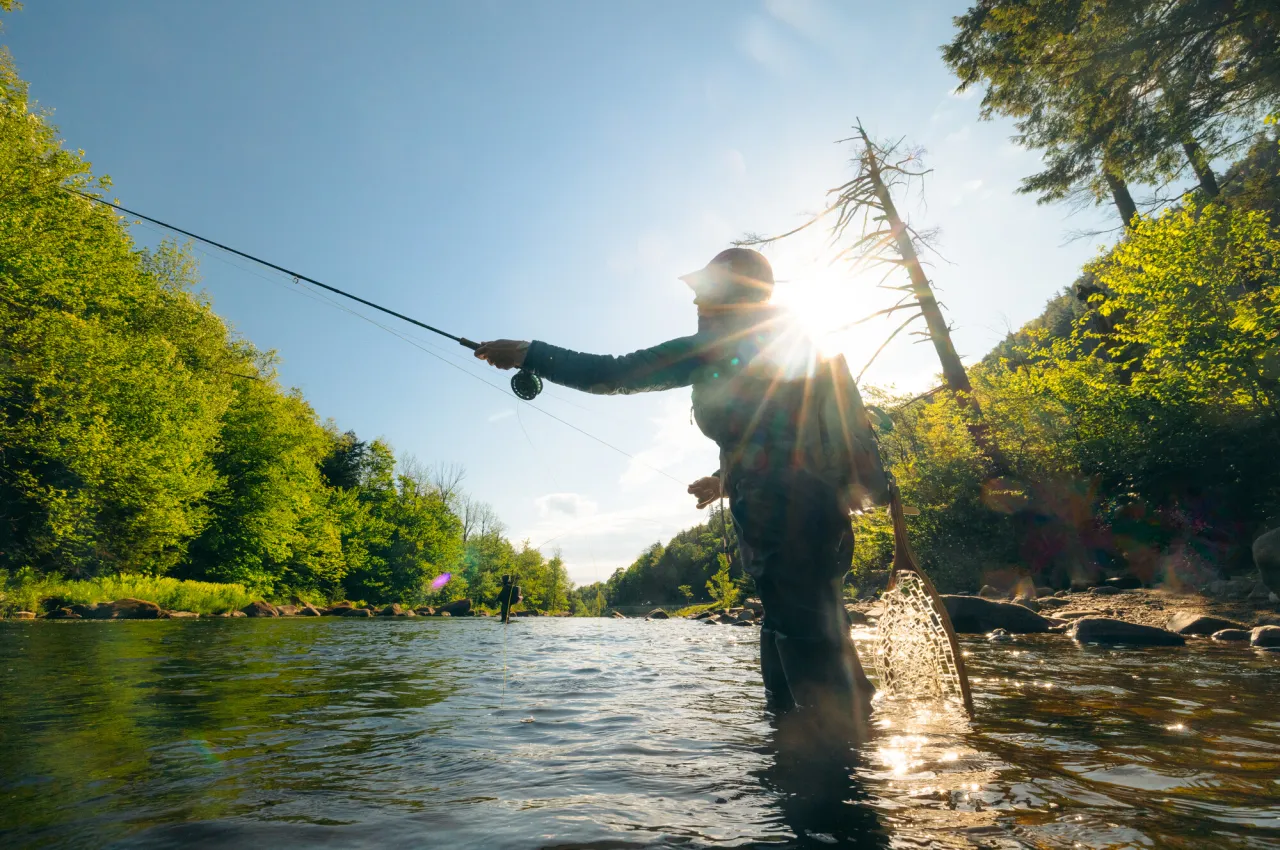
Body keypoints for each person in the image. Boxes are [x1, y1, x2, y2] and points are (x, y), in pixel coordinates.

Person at [475, 248, 879, 747]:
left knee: (813, 674)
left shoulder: (728, 345)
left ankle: (840, 792)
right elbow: (777, 438)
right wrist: (724, 480)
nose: (693, 298)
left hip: (789, 529)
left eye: (703, 289)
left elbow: (615, 374)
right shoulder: (783, 345)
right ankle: (829, 772)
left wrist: (530, 353)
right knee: (799, 658)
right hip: (814, 524)